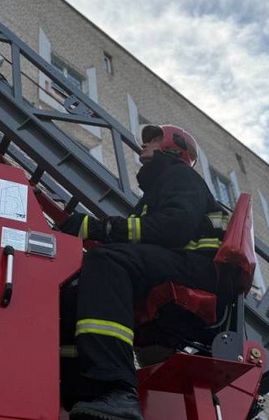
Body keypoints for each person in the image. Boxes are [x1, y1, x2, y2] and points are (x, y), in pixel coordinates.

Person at [59, 124, 230, 420]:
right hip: (173, 263)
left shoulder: (180, 175)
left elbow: (172, 227)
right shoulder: (157, 188)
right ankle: (80, 393)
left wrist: (96, 227)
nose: (144, 145)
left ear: (173, 147)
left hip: (195, 267)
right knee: (75, 288)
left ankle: (116, 390)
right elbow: (143, 236)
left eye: (152, 140)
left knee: (108, 261)